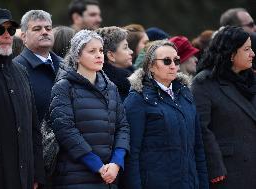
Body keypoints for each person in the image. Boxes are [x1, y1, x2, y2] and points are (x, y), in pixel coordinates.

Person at [0, 8, 44, 189]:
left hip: (25, 177)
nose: (7, 35)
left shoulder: (20, 71)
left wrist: (36, 173)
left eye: (11, 30)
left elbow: (33, 127)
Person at [49, 30, 130, 189]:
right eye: (92, 51)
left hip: (110, 177)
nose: (99, 55)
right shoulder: (64, 87)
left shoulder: (111, 88)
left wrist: (116, 162)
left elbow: (123, 127)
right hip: (76, 177)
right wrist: (97, 165)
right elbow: (65, 130)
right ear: (77, 56)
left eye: (100, 50)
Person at [123, 40, 209, 189]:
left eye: (176, 60)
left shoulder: (185, 94)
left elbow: (198, 148)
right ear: (151, 66)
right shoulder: (137, 99)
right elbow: (131, 154)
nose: (173, 65)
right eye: (166, 61)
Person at [191, 26, 256, 189]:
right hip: (229, 172)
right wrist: (215, 170)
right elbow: (202, 129)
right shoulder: (204, 82)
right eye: (247, 49)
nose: (253, 54)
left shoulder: (250, 80)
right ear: (231, 53)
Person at [14, 10, 64, 122]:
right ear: (23, 36)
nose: (45, 32)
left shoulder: (65, 65)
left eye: (48, 28)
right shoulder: (15, 68)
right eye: (37, 29)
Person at [96, 26, 133, 101]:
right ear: (111, 55)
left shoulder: (130, 78)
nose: (131, 52)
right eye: (125, 48)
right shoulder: (109, 90)